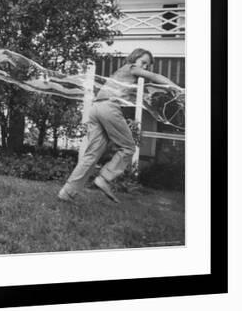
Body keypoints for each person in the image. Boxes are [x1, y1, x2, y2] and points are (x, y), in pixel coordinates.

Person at [58, 48, 182, 203]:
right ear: (134, 58)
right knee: (128, 147)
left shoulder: (121, 74)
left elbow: (132, 95)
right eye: (143, 62)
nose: (144, 67)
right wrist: (177, 89)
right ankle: (104, 178)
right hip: (109, 108)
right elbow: (155, 76)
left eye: (147, 65)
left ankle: (66, 193)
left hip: (96, 108)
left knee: (91, 155)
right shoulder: (131, 68)